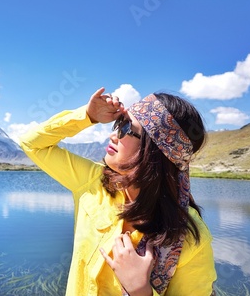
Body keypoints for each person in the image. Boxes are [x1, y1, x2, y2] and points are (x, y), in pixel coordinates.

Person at [19, 87, 216, 296]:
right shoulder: (94, 182)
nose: (113, 135)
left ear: (156, 152)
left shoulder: (190, 238)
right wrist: (88, 116)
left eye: (127, 128)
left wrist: (140, 291)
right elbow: (32, 144)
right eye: (120, 123)